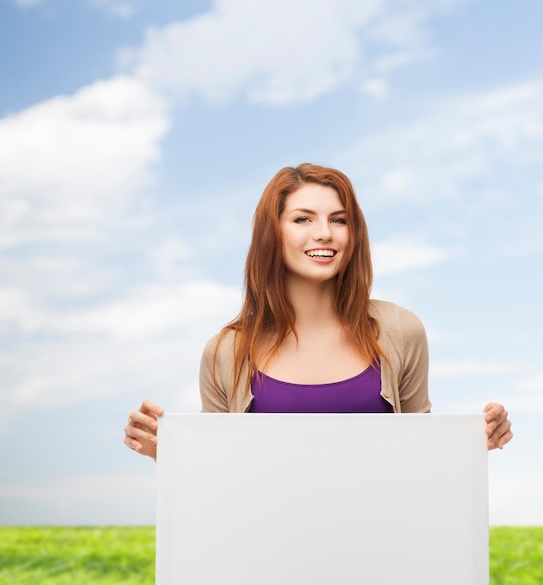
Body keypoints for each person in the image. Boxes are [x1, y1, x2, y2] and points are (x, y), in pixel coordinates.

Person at [124, 163, 512, 459]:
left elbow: (421, 459)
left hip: (380, 552)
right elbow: (219, 473)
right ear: (271, 234)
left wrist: (476, 442)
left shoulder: (400, 331)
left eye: (338, 220)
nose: (324, 232)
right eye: (303, 219)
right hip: (269, 553)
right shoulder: (226, 351)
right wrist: (166, 452)